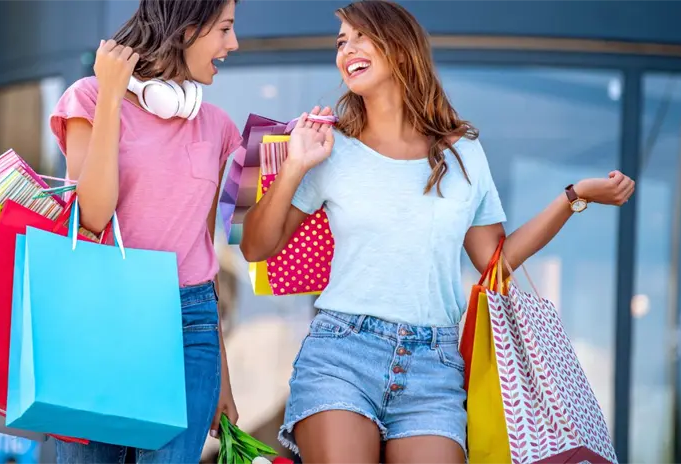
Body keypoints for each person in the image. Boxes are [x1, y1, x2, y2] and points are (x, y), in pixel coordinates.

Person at [240, 1, 636, 463]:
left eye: (361, 36)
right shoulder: (332, 147)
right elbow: (255, 247)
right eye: (341, 41)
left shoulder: (463, 152)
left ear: (400, 48)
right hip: (341, 352)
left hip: (434, 365)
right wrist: (295, 165)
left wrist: (572, 197)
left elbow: (495, 261)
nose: (347, 50)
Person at [48, 0, 241, 462]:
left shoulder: (218, 128)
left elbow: (204, 249)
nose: (233, 44)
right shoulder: (89, 98)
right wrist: (112, 97)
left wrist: (223, 377)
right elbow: (92, 216)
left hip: (189, 324)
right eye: (224, 29)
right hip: (100, 314)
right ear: (188, 30)